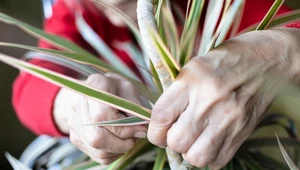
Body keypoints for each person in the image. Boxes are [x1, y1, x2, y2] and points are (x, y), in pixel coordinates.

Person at [12, 0, 300, 168]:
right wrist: (73, 106)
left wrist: (281, 50)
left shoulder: (215, 6)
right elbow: (31, 85)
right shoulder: (77, 13)